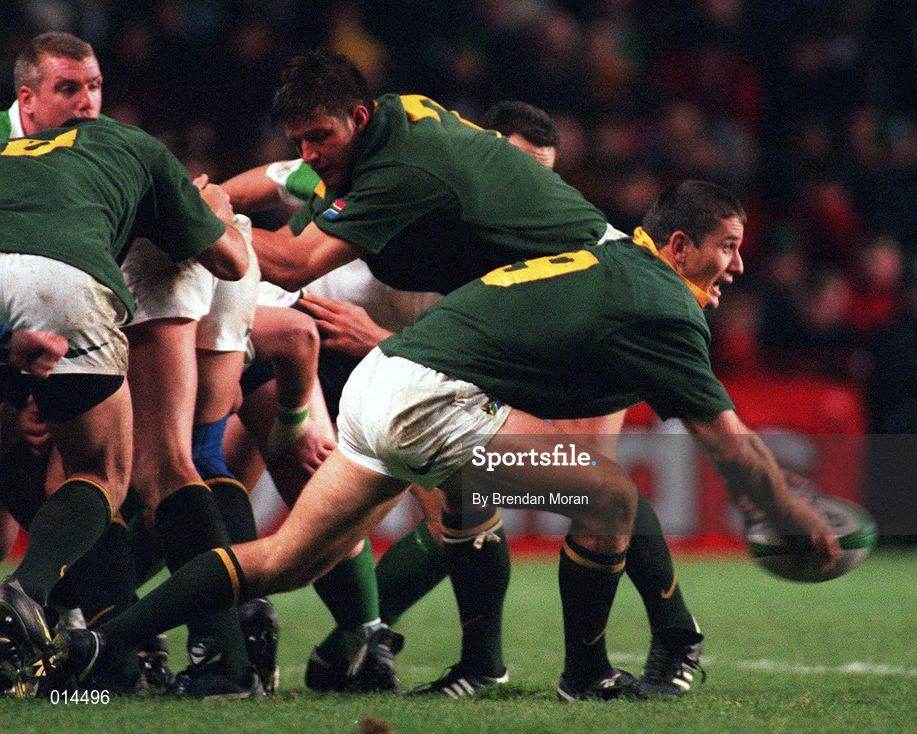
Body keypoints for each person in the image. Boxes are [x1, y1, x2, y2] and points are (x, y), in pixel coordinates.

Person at [48, 180, 840, 701]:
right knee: (610, 498)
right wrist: (792, 511)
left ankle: (88, 649)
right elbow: (729, 442)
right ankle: (587, 675)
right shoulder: (663, 301)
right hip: (433, 398)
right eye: (726, 246)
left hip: (386, 384)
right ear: (676, 247)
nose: (737, 263)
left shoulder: (611, 267)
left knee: (285, 560)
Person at [0, 114, 248, 696]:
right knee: (120, 469)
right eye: (70, 87)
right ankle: (185, 651)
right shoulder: (137, 150)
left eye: (92, 86)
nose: (86, 100)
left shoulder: (13, 156)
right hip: (76, 282)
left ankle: (113, 651)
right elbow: (241, 260)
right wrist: (213, 206)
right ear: (26, 96)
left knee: (155, 463)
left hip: (29, 300)